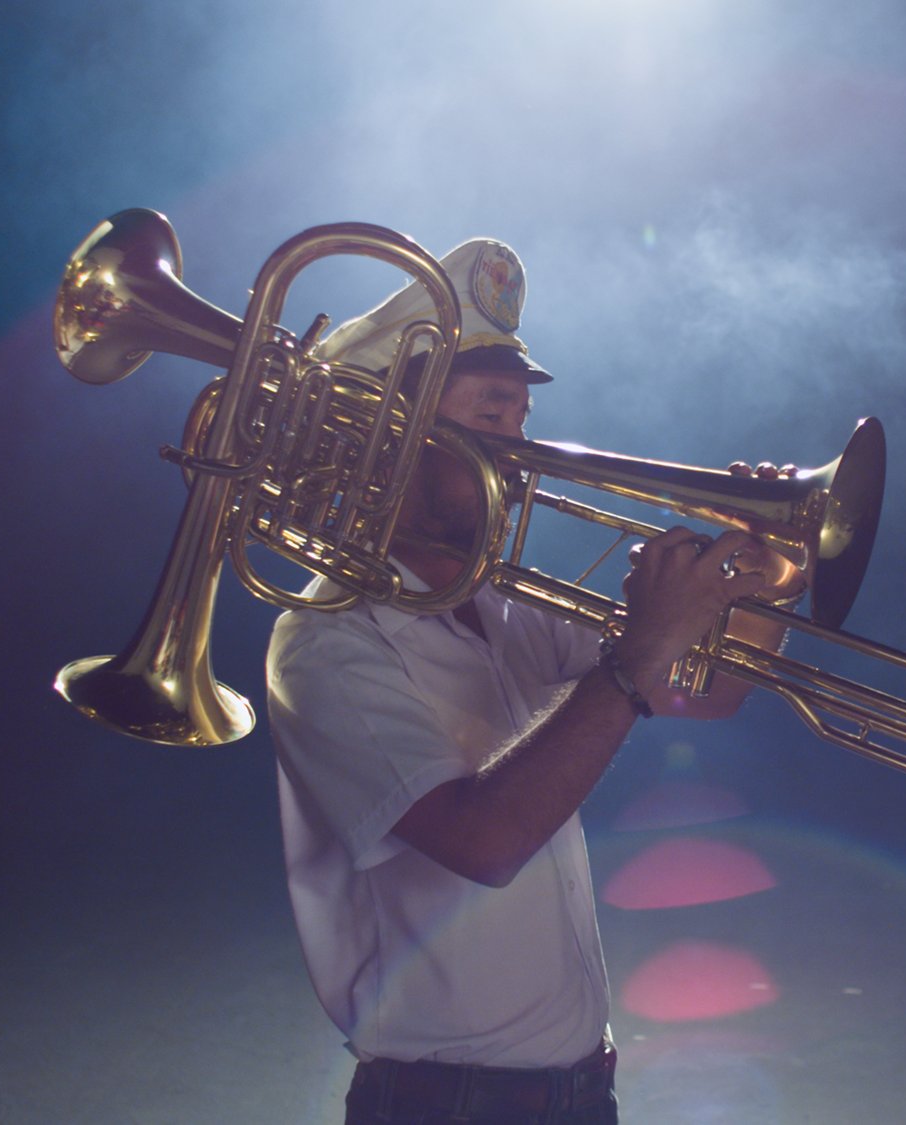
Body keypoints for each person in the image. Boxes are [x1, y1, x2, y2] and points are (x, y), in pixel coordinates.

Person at [266, 238, 795, 1124]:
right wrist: (636, 653)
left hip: (579, 1088)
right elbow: (485, 842)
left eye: (518, 421)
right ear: (387, 436)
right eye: (493, 416)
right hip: (442, 1104)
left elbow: (707, 689)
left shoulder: (504, 604)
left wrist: (765, 581)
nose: (522, 450)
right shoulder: (324, 643)